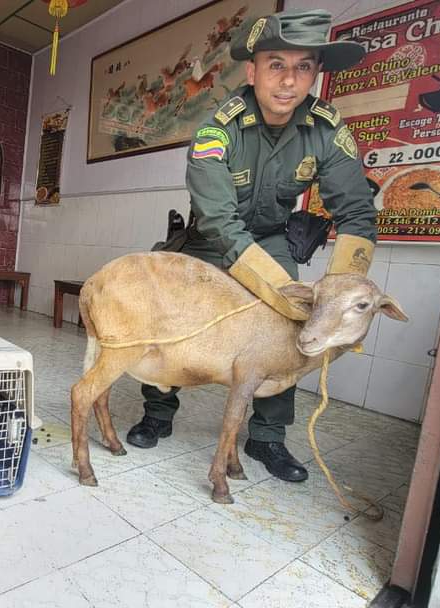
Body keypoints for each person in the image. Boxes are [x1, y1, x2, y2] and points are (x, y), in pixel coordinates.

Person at [125, 9, 378, 483]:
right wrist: (274, 286)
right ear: (253, 71)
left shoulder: (326, 128)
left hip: (271, 239)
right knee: (170, 318)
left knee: (289, 328)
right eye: (276, 65)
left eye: (303, 67)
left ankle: (267, 438)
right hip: (209, 239)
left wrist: (338, 289)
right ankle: (158, 412)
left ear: (315, 74)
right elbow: (220, 221)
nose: (289, 81)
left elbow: (358, 213)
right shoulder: (216, 129)